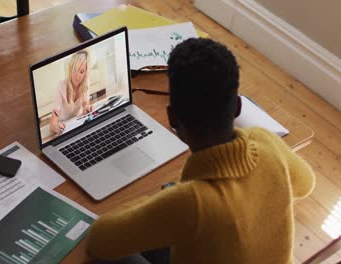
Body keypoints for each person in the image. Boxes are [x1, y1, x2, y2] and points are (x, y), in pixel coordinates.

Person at [85, 38, 315, 263]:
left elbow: (99, 240)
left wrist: (161, 201)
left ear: (172, 117)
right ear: (237, 106)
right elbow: (306, 183)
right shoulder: (266, 142)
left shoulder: (189, 203)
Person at [50, 50, 93, 134]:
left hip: (77, 123)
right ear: (70, 68)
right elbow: (53, 123)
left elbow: (85, 104)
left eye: (81, 72)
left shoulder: (86, 83)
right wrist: (56, 127)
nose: (77, 76)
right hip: (63, 125)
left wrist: (87, 108)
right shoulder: (61, 86)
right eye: (75, 70)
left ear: (85, 73)